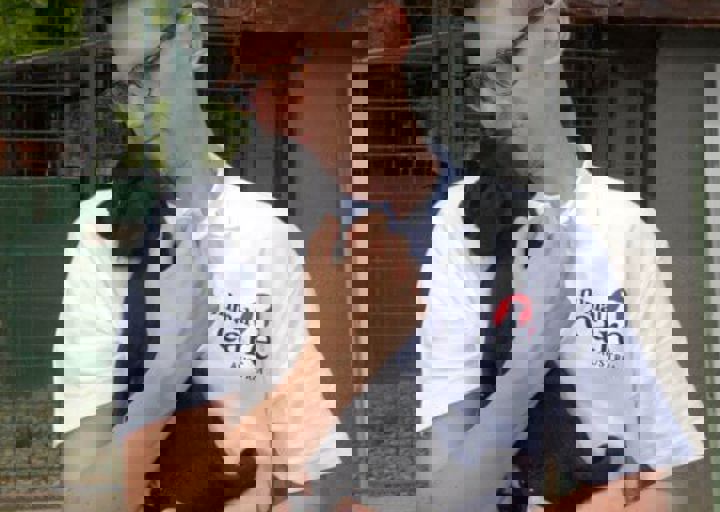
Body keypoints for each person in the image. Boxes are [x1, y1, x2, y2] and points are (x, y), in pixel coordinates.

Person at [54, 1, 345, 511]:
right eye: (125, 86)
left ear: (190, 45)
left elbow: (305, 456)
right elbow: (85, 493)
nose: (139, 103)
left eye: (149, 69)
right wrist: (167, 366)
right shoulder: (101, 232)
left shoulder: (262, 231)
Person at [416, 0, 706, 511]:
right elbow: (446, 465)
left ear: (552, 43)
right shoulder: (461, 224)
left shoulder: (618, 222)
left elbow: (660, 455)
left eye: (505, 66)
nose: (488, 99)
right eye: (477, 79)